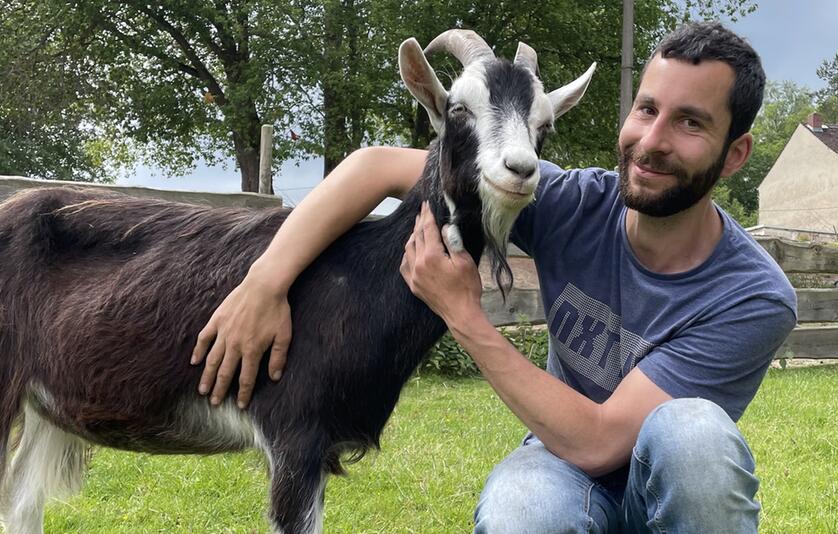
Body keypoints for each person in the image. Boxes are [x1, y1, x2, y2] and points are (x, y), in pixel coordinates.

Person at [191, 21, 796, 533]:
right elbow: (374, 166)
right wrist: (264, 284)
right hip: (558, 467)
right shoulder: (574, 204)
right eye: (646, 109)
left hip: (658, 488)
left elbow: (604, 441)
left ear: (735, 154)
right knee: (520, 506)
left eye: (690, 123)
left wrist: (463, 314)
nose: (652, 141)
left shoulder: (753, 296)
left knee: (692, 435)